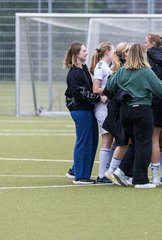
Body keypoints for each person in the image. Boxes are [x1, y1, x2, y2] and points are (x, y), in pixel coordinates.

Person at [107, 44, 162, 189]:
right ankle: (140, 180)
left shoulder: (123, 71)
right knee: (144, 144)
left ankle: (123, 171)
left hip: (126, 111)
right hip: (142, 110)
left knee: (136, 143)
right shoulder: (146, 72)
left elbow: (110, 85)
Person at [64, 41, 107, 184]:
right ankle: (80, 177)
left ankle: (76, 170)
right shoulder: (74, 73)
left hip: (87, 110)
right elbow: (81, 94)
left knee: (92, 140)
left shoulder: (83, 68)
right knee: (84, 142)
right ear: (76, 54)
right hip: (80, 110)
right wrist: (99, 98)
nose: (86, 53)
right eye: (83, 51)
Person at [102, 42, 132, 185]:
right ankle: (111, 172)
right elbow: (108, 91)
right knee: (123, 141)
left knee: (121, 141)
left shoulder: (124, 70)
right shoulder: (118, 71)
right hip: (118, 109)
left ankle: (117, 171)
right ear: (123, 54)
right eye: (128, 50)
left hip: (120, 109)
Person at [145, 33, 162, 185]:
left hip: (149, 99)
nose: (144, 45)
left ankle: (154, 175)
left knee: (152, 139)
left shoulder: (147, 56)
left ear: (152, 44)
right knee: (161, 138)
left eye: (146, 42)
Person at [89, 42, 114, 184]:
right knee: (106, 140)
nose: (114, 54)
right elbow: (95, 88)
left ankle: (108, 172)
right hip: (102, 108)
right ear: (107, 53)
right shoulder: (101, 66)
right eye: (113, 51)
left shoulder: (105, 66)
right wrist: (108, 93)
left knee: (110, 140)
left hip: (107, 108)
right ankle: (102, 175)